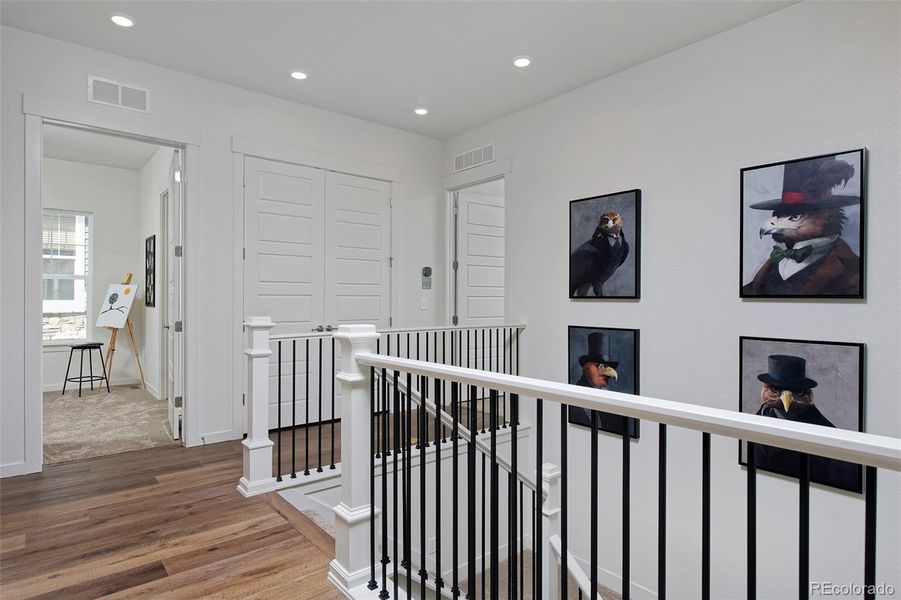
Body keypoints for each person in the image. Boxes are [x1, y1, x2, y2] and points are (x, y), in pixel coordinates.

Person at [742, 154, 861, 297]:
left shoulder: (853, 272)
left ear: (825, 217)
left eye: (794, 217)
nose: (772, 223)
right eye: (778, 217)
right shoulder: (776, 261)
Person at [752, 354, 859, 491]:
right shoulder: (760, 416)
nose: (787, 396)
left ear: (808, 393)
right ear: (765, 389)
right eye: (776, 389)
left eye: (797, 391)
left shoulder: (825, 431)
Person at [571, 331, 632, 436]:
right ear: (587, 367)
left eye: (608, 367)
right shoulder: (574, 398)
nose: (607, 372)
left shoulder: (613, 400)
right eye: (600, 366)